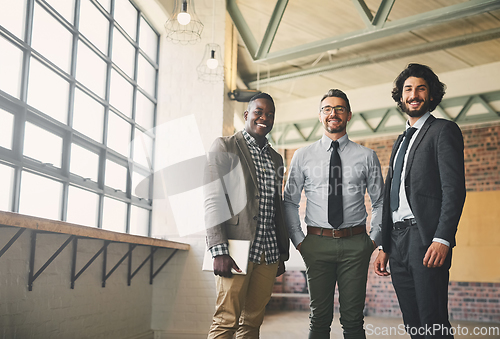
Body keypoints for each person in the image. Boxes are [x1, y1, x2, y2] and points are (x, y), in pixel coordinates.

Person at [373, 63, 466, 338]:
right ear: (401, 97)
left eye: (421, 89)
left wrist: (442, 238)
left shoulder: (443, 131)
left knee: (432, 321)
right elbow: (393, 197)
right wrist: (384, 244)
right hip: (398, 240)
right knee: (412, 322)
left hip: (425, 238)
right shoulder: (400, 140)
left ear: (431, 95)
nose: (414, 95)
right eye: (408, 89)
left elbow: (454, 190)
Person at [284, 89, 384, 339]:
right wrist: (299, 241)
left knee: (353, 321)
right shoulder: (302, 156)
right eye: (327, 108)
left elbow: (380, 201)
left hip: (356, 244)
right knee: (318, 320)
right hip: (316, 244)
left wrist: (374, 240)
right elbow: (289, 202)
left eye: (339, 108)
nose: (333, 113)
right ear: (320, 116)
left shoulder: (367, 156)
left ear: (349, 115)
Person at [205, 92, 289, 339]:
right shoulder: (225, 146)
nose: (265, 118)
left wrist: (281, 254)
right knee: (226, 320)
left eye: (270, 115)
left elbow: (276, 207)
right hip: (235, 249)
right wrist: (218, 249)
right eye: (259, 112)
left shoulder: (276, 158)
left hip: (268, 252)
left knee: (252, 322)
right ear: (246, 115)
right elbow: (213, 198)